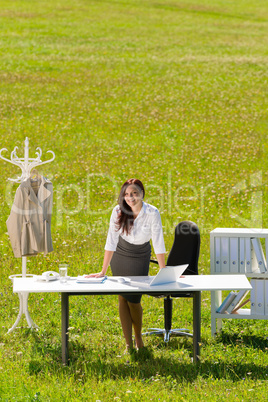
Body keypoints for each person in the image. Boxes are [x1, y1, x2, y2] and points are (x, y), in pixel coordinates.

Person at [88, 178, 166, 351]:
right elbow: (111, 241)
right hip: (121, 254)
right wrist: (103, 271)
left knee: (134, 299)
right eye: (127, 194)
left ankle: (138, 338)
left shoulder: (152, 212)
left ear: (142, 194)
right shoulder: (118, 211)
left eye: (134, 194)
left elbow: (158, 242)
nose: (130, 198)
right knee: (122, 297)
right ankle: (128, 344)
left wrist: (163, 271)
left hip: (140, 255)